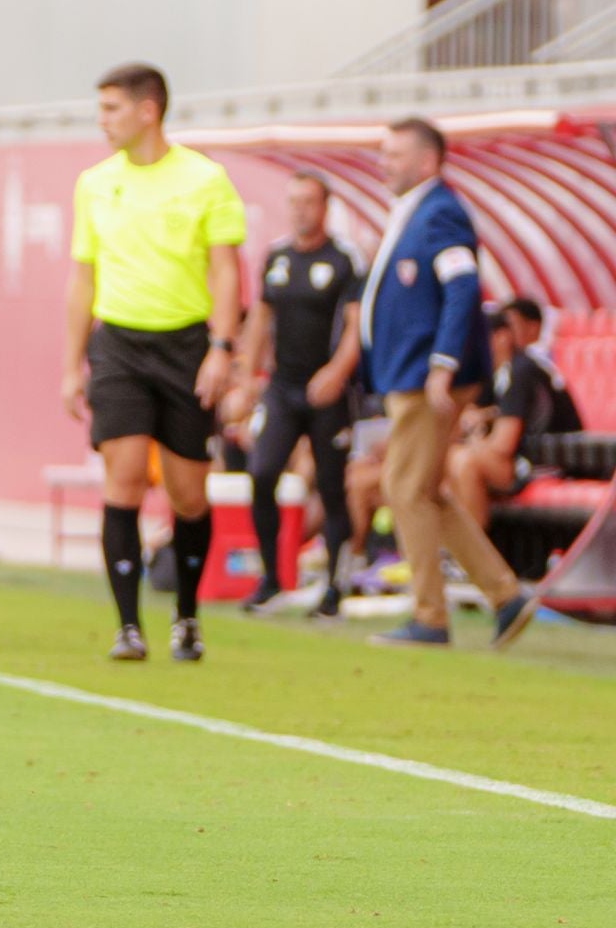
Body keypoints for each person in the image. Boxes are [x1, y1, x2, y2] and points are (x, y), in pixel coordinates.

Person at [61, 63, 244, 663]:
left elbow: (225, 271)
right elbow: (81, 277)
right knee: (126, 479)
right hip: (118, 348)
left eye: (111, 108)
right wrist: (70, 366)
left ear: (148, 110)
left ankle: (187, 617)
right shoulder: (93, 183)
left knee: (190, 493)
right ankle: (127, 626)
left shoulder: (205, 178)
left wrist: (222, 348)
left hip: (188, 347)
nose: (102, 120)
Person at [359, 118, 536, 648]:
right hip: (410, 371)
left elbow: (462, 289)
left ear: (427, 161)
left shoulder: (440, 212)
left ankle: (430, 616)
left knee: (404, 489)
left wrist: (442, 362)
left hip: (424, 374)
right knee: (423, 490)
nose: (384, 163)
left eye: (394, 154)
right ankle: (506, 595)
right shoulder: (418, 211)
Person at [236, 171, 365, 618]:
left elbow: (354, 326)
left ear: (324, 207)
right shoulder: (276, 257)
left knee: (330, 487)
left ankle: (334, 585)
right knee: (262, 471)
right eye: (293, 202)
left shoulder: (345, 260)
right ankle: (271, 578)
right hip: (282, 387)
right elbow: (259, 319)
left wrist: (336, 372)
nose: (300, 210)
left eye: (308, 202)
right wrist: (247, 376)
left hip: (327, 391)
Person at [447, 307, 583, 530]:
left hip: (552, 462)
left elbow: (503, 444)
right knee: (447, 458)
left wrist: (475, 438)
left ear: (501, 337)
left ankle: (473, 555)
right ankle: (449, 551)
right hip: (523, 460)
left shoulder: (522, 370)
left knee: (464, 461)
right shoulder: (496, 375)